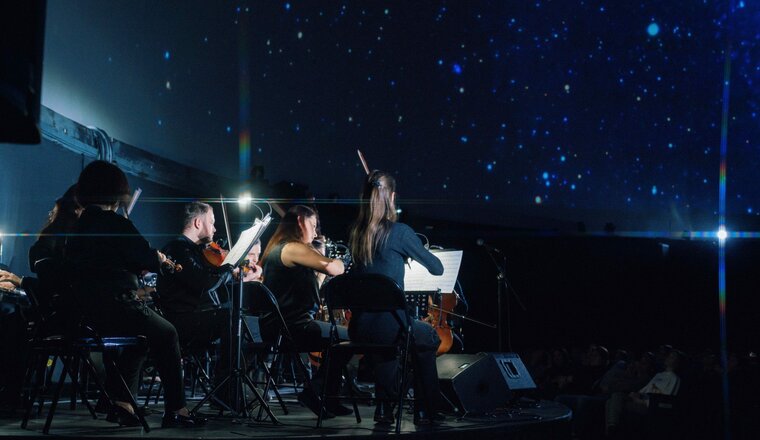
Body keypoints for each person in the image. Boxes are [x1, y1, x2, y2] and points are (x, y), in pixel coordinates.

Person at [65, 160, 205, 428]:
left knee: (141, 339)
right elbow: (145, 257)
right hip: (116, 306)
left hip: (85, 313)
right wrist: (159, 259)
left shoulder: (78, 227)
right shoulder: (114, 222)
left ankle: (122, 403)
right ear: (115, 191)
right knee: (168, 333)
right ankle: (177, 410)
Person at [348, 170, 445, 425]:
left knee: (388, 340)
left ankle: (384, 407)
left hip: (358, 328)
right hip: (389, 326)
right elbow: (437, 268)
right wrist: (414, 249)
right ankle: (426, 409)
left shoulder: (356, 234)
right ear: (392, 197)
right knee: (427, 336)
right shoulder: (400, 232)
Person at [259, 204, 350, 418]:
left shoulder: (280, 248)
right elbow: (334, 268)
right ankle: (315, 392)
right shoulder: (292, 247)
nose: (316, 232)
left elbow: (312, 289)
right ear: (300, 221)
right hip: (292, 328)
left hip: (281, 327)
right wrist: (342, 260)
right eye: (313, 225)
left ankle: (328, 397)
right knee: (349, 338)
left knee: (341, 339)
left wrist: (321, 257)